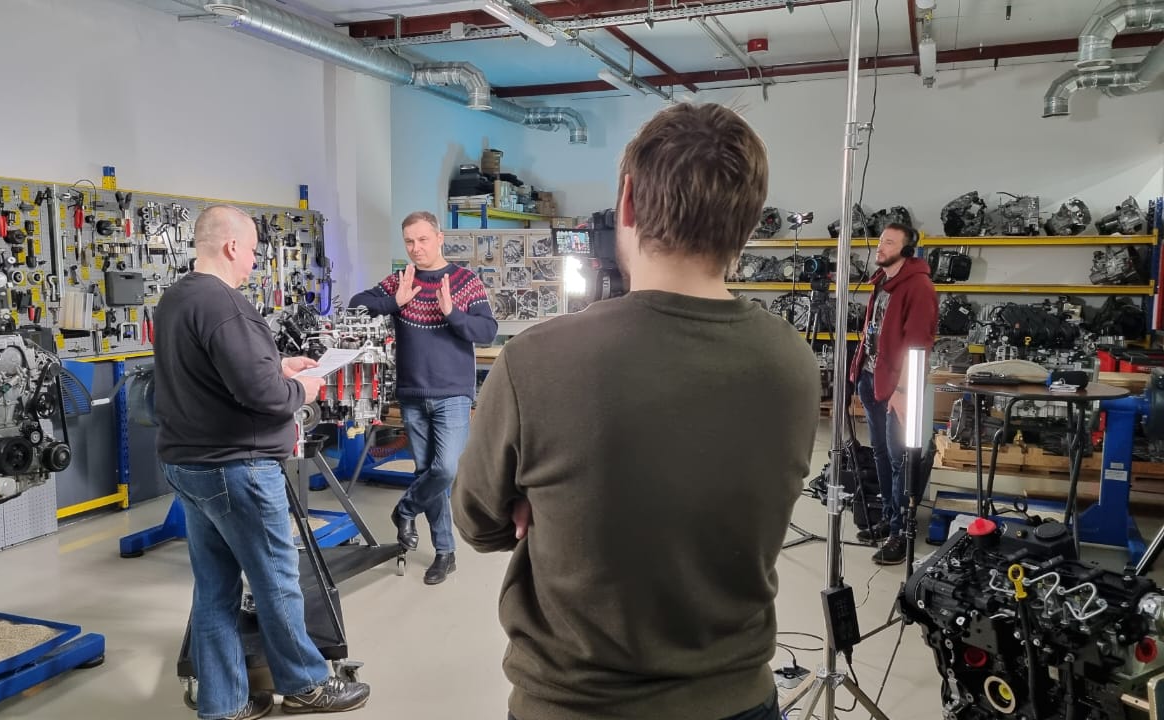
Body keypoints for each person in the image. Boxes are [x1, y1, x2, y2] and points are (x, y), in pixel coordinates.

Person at [451, 104, 820, 720]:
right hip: (737, 697)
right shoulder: (792, 361)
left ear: (626, 202)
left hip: (575, 704)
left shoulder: (536, 360)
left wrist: (545, 502)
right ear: (751, 222)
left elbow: (477, 523)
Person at [155, 205, 370, 720]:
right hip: (237, 467)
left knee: (215, 589)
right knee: (276, 581)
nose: (254, 262)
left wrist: (277, 364)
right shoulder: (225, 304)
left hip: (190, 464)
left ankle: (225, 703)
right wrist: (302, 388)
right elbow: (264, 396)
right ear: (231, 246)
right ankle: (306, 684)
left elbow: (216, 372)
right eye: (252, 251)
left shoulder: (176, 298)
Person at [348, 210, 498, 585]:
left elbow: (487, 330)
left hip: (453, 394)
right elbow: (355, 305)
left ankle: (404, 509)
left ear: (440, 238)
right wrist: (393, 302)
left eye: (423, 240)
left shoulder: (465, 281)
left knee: (445, 469)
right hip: (412, 394)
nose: (416, 248)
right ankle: (445, 552)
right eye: (409, 242)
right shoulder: (401, 281)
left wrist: (452, 312)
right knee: (426, 472)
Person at [848, 222, 938, 566]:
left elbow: (919, 343)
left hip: (898, 387)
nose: (880, 247)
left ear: (906, 249)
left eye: (889, 242)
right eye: (880, 241)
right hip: (872, 380)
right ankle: (889, 517)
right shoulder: (882, 282)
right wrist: (859, 372)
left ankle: (901, 533)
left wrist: (902, 390)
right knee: (882, 455)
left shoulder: (919, 287)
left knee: (900, 460)